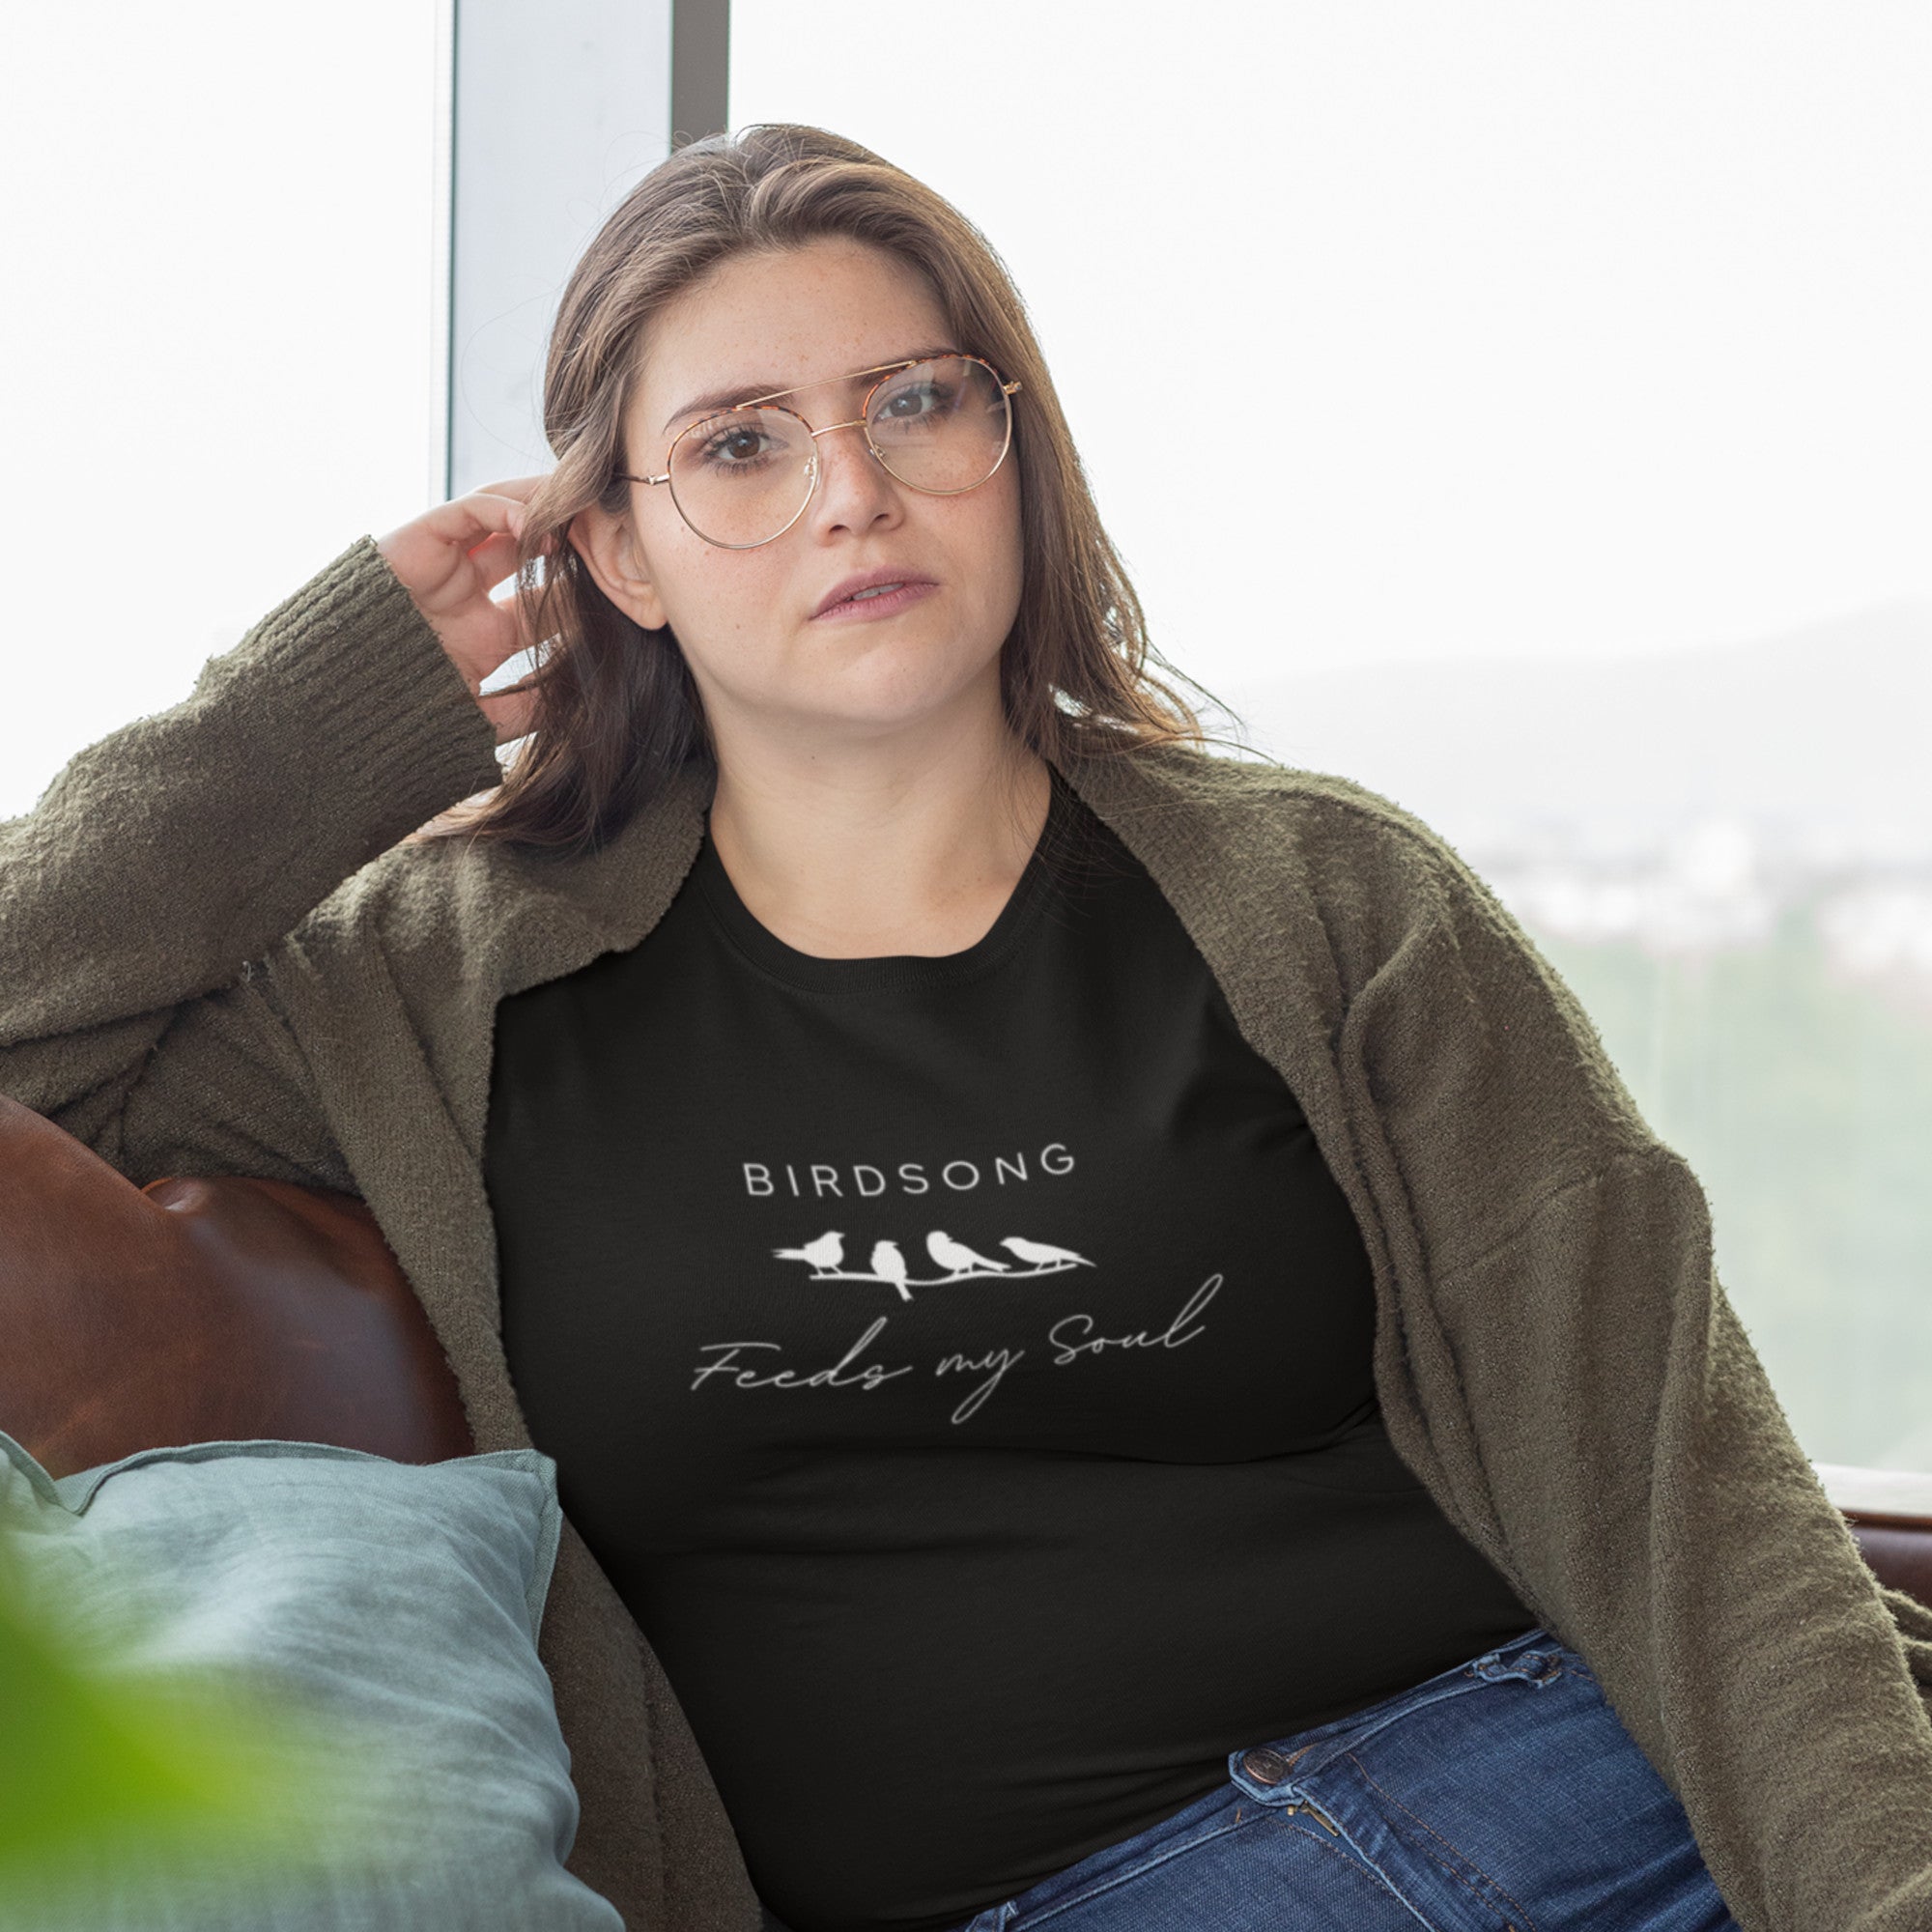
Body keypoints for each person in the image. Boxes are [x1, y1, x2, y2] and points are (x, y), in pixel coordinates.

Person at [5, 121, 1931, 1932]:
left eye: (916, 402)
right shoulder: (426, 995)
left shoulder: (1329, 899)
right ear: (617, 553)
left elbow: (1684, 1492)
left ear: (1013, 449)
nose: (855, 490)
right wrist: (309, 727)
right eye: (741, 445)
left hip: (1589, 1795)